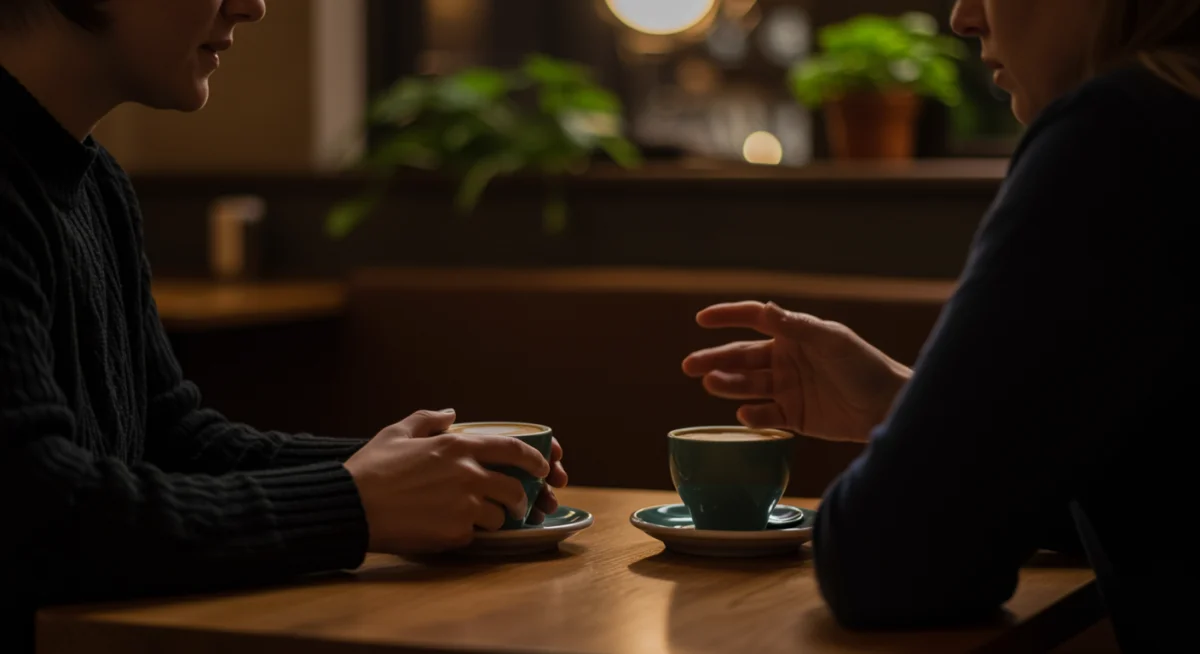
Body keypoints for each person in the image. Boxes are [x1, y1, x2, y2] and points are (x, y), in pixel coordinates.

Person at [0, 1, 568, 650]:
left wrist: (411, 468)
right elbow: (36, 514)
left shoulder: (95, 181)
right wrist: (354, 502)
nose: (253, 6)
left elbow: (172, 439)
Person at [684, 0, 1197, 651]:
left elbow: (884, 562)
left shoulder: (1122, 135)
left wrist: (925, 448)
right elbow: (1150, 495)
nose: (963, 17)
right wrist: (906, 407)